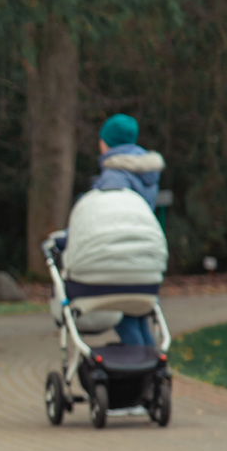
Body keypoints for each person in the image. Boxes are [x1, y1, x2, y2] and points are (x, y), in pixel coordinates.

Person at [89, 113, 166, 345]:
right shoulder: (146, 173)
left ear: (107, 142)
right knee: (139, 317)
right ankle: (154, 364)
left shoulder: (114, 176)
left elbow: (108, 217)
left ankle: (142, 366)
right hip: (144, 256)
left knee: (124, 318)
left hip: (122, 255)